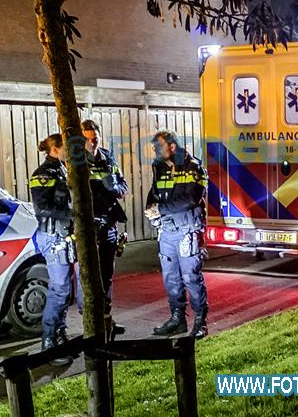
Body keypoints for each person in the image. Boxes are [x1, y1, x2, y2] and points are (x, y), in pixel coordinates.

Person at [145, 130, 210, 339]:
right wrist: (151, 208)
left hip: (187, 231)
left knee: (191, 277)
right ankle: (177, 319)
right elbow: (154, 192)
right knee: (171, 279)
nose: (155, 150)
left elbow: (191, 199)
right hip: (167, 231)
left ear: (172, 147)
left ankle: (201, 322)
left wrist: (161, 210)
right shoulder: (160, 167)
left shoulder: (193, 167)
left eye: (158, 146)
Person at [30, 133, 75, 366]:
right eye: (66, 147)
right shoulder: (43, 174)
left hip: (64, 235)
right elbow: (42, 208)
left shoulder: (63, 170)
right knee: (59, 289)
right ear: (55, 149)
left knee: (65, 289)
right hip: (53, 236)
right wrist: (72, 215)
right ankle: (48, 342)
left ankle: (59, 332)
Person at [81, 119, 129, 335]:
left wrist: (116, 188)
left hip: (109, 223)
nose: (92, 143)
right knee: (90, 275)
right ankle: (92, 324)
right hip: (88, 226)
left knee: (107, 274)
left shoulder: (108, 158)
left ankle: (107, 319)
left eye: (95, 139)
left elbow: (123, 184)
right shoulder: (77, 162)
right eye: (88, 139)